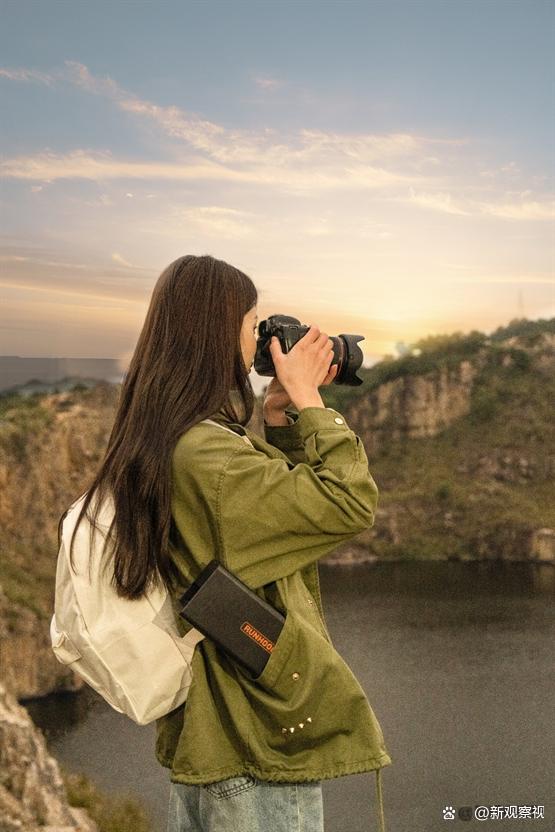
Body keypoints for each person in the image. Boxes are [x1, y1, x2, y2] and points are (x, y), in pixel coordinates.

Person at [81, 253, 392, 831]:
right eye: (252, 325)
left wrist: (279, 420)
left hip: (216, 739)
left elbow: (272, 516)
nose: (258, 341)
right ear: (218, 332)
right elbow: (348, 503)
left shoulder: (175, 438)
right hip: (255, 743)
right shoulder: (207, 453)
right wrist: (310, 401)